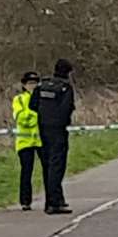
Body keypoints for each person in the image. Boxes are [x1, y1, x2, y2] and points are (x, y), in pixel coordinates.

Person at [30, 58, 75, 215]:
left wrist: (45, 116)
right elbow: (67, 108)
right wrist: (59, 121)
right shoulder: (64, 88)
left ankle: (51, 200)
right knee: (57, 166)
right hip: (58, 130)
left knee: (47, 165)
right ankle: (54, 203)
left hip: (43, 128)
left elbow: (32, 105)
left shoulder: (42, 85)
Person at [11, 70, 42, 210]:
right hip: (24, 141)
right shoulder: (18, 99)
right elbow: (20, 118)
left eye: (35, 83)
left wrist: (30, 115)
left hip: (41, 140)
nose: (33, 86)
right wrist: (34, 115)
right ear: (24, 85)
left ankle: (51, 198)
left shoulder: (42, 97)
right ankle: (25, 201)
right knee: (26, 171)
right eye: (30, 83)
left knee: (48, 170)